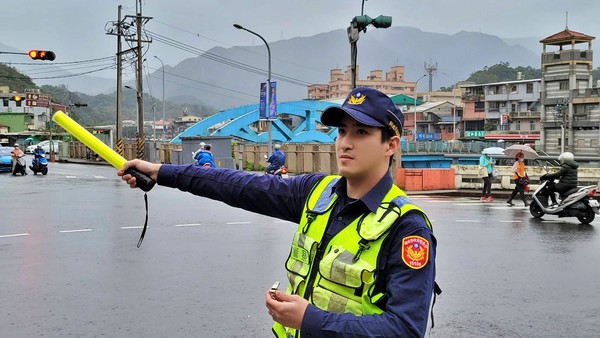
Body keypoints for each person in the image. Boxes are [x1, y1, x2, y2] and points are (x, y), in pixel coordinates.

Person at [118, 87, 437, 337]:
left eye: (361, 132)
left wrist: (310, 320)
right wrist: (161, 172)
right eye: (342, 131)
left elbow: (405, 329)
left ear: (391, 145)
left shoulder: (407, 229)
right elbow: (234, 184)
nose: (345, 143)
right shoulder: (317, 193)